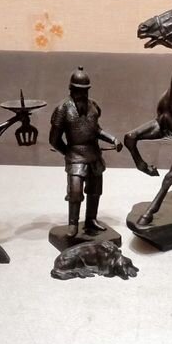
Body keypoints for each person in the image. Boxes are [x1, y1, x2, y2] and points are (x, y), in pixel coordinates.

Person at [49, 66, 122, 238]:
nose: (82, 94)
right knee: (75, 192)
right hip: (75, 156)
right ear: (71, 89)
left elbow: (96, 130)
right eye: (78, 90)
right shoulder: (63, 109)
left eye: (85, 90)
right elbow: (54, 139)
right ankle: (73, 223)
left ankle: (91, 219)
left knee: (95, 190)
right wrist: (68, 152)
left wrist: (113, 139)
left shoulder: (93, 106)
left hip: (94, 154)